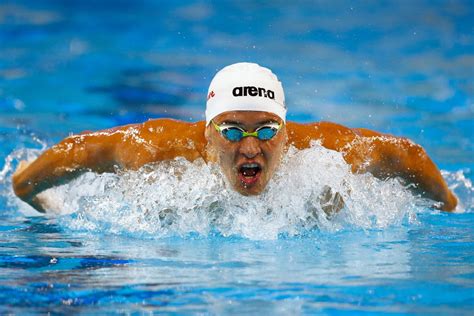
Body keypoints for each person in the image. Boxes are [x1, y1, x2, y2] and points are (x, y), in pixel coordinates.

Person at [12, 62, 457, 213]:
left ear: (285, 130)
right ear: (207, 134)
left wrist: (448, 212)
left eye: (267, 130)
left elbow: (407, 156)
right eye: (231, 131)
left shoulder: (320, 150)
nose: (250, 147)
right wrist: (35, 200)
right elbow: (81, 151)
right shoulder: (156, 149)